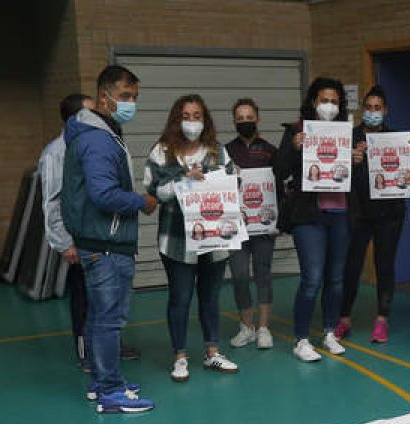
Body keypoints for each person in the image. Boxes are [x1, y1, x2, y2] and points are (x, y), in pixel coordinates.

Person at [62, 65, 158, 413]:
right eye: (125, 97)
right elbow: (103, 193)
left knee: (98, 316)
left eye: (135, 97)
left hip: (100, 240)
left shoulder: (96, 133)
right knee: (109, 319)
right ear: (104, 97)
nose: (131, 103)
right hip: (105, 243)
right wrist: (142, 202)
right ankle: (110, 393)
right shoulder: (98, 139)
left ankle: (102, 381)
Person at [144, 94, 240, 382]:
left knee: (210, 298)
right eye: (186, 116)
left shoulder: (217, 152)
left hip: (214, 240)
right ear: (176, 119)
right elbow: (152, 192)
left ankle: (212, 353)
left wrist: (231, 180)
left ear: (205, 120)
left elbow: (233, 183)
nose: (192, 121)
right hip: (176, 241)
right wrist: (182, 181)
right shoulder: (162, 152)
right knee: (180, 298)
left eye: (197, 116)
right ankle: (181, 356)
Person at [273, 76, 350, 362]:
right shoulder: (296, 130)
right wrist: (293, 147)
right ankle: (301, 338)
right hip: (309, 215)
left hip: (340, 212)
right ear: (313, 102)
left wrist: (356, 158)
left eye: (334, 101)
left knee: (336, 278)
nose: (328, 106)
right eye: (323, 100)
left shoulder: (346, 132)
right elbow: (279, 170)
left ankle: (329, 331)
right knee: (312, 278)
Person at [335, 85, 407, 344]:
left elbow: (408, 175)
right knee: (351, 267)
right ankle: (343, 318)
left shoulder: (396, 139)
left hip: (390, 213)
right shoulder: (349, 138)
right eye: (368, 108)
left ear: (385, 111)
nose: (373, 112)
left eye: (378, 108)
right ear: (362, 110)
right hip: (356, 213)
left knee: (384, 265)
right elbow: (333, 174)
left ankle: (382, 320)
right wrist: (350, 160)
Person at [226, 97, 280, 350]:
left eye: (249, 117)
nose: (245, 122)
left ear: (257, 118)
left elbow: (281, 186)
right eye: (240, 118)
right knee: (238, 275)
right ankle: (246, 326)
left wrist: (279, 219)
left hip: (264, 226)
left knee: (263, 275)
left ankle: (264, 328)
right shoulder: (225, 152)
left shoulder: (270, 150)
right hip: (236, 227)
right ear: (234, 121)